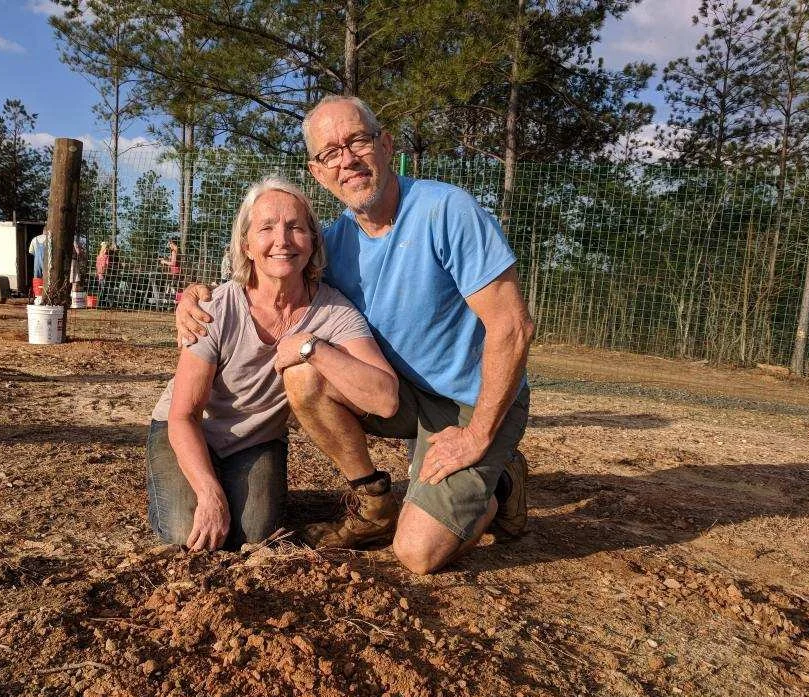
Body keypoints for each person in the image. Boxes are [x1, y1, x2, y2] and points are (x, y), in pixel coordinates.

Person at [176, 96, 534, 574]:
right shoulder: (334, 242)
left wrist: (477, 435)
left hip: (475, 399)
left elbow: (513, 326)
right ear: (318, 171)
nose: (347, 159)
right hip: (401, 394)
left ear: (385, 145)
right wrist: (193, 295)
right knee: (305, 375)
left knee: (417, 554)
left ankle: (500, 484)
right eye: (329, 153)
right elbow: (269, 273)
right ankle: (372, 503)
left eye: (358, 141)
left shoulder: (446, 210)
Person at [148, 176, 398, 551]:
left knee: (255, 538)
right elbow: (184, 415)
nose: (282, 240)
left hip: (258, 440)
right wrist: (210, 494)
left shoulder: (333, 310)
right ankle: (198, 481)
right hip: (190, 430)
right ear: (246, 245)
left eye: (296, 227)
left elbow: (386, 399)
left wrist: (313, 348)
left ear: (313, 243)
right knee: (188, 535)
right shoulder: (214, 309)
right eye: (267, 228)